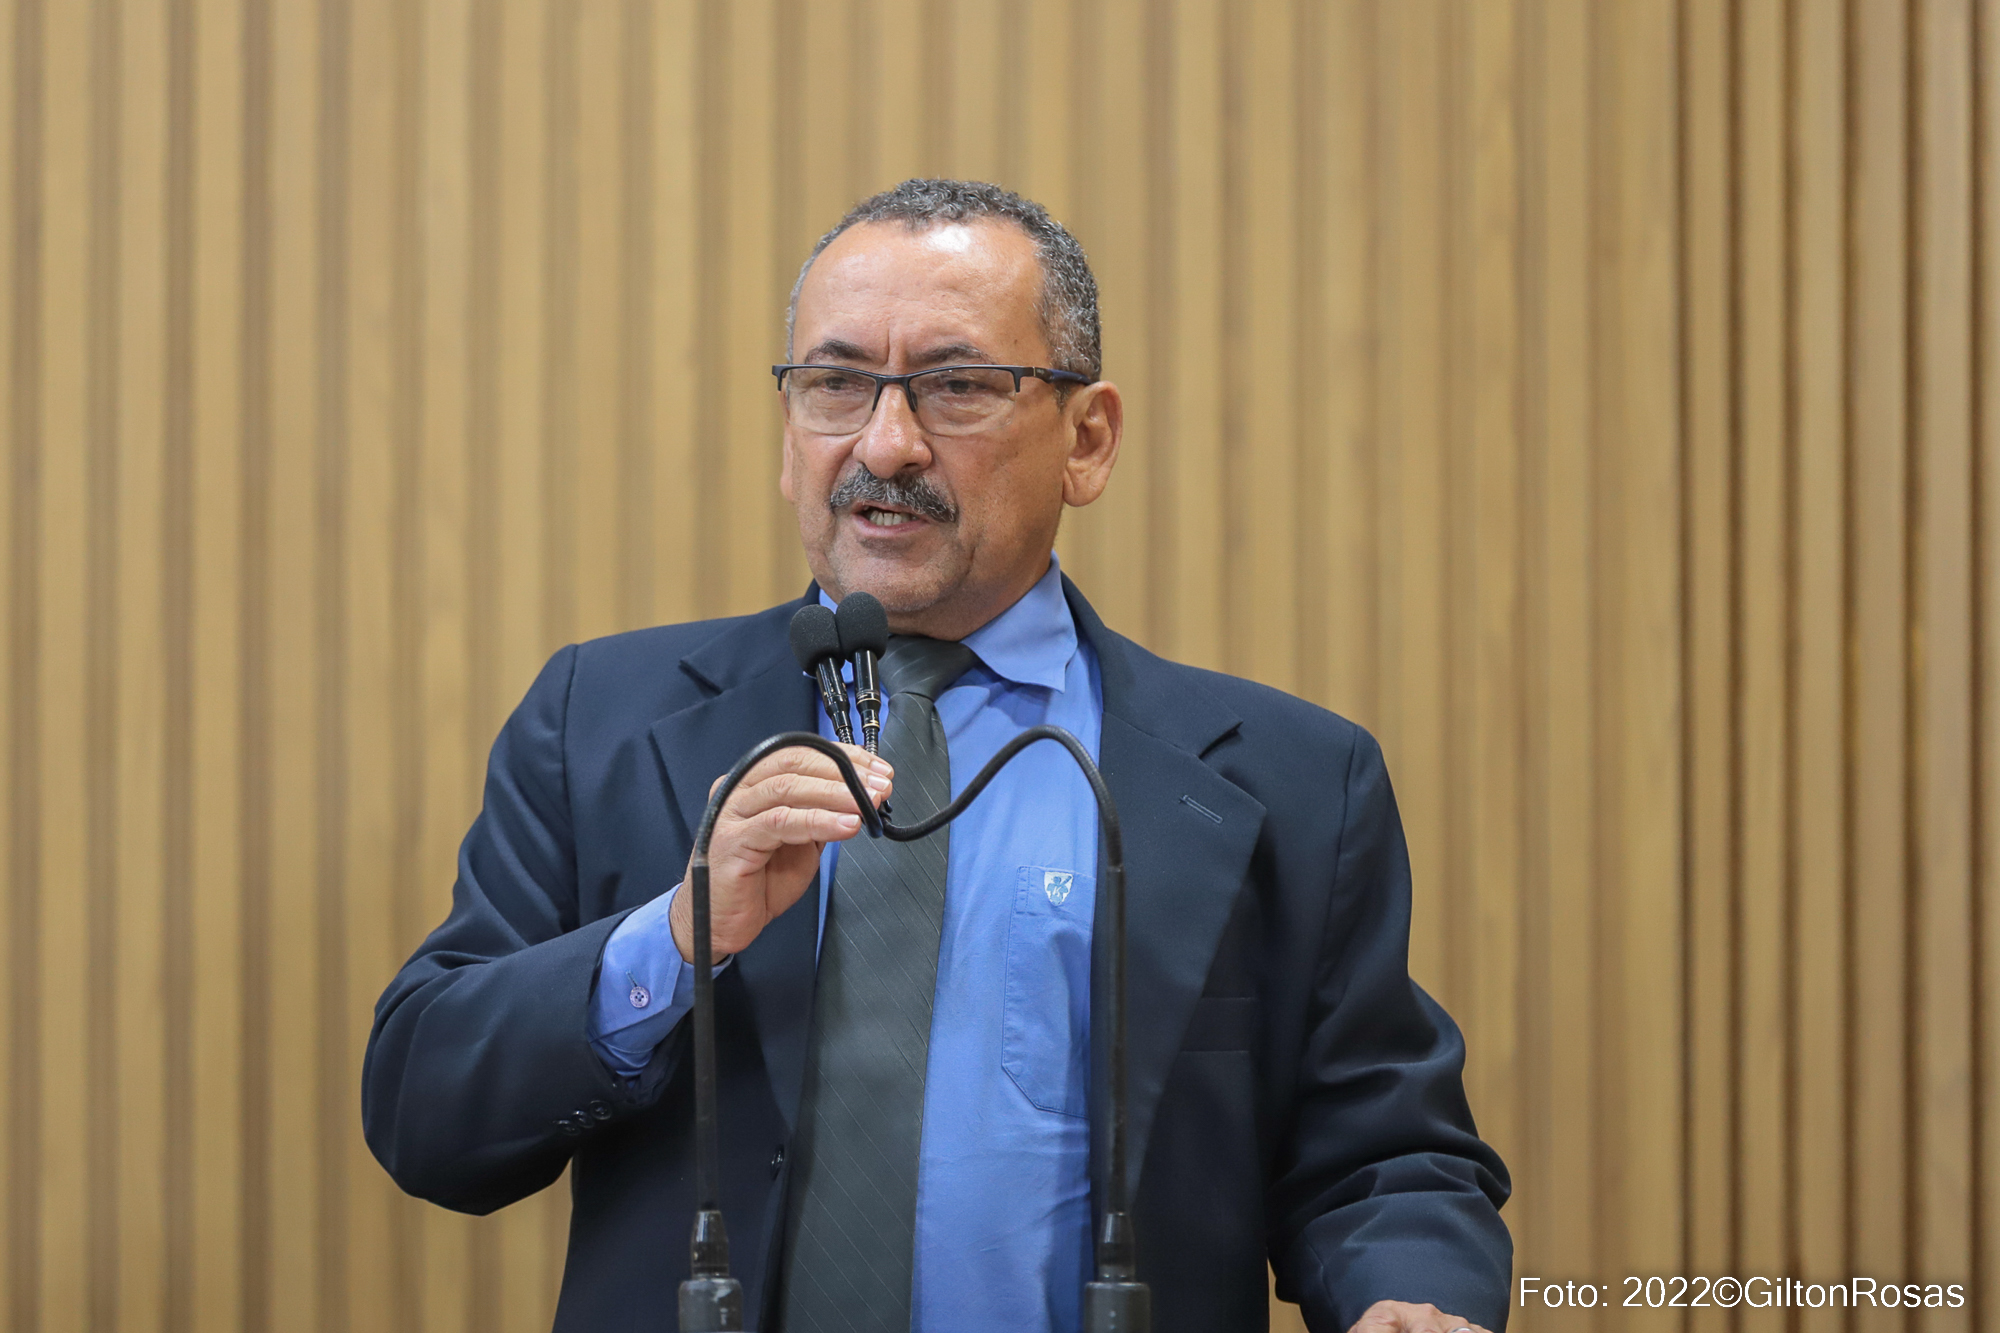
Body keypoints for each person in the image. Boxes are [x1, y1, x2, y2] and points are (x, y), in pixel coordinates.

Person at [363, 179, 1510, 1333]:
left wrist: (1407, 1298)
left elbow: (1384, 1158)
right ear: (788, 432)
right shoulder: (599, 722)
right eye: (835, 384)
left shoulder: (1288, 779)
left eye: (957, 386)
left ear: (1087, 441)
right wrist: (670, 939)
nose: (885, 443)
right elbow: (425, 1111)